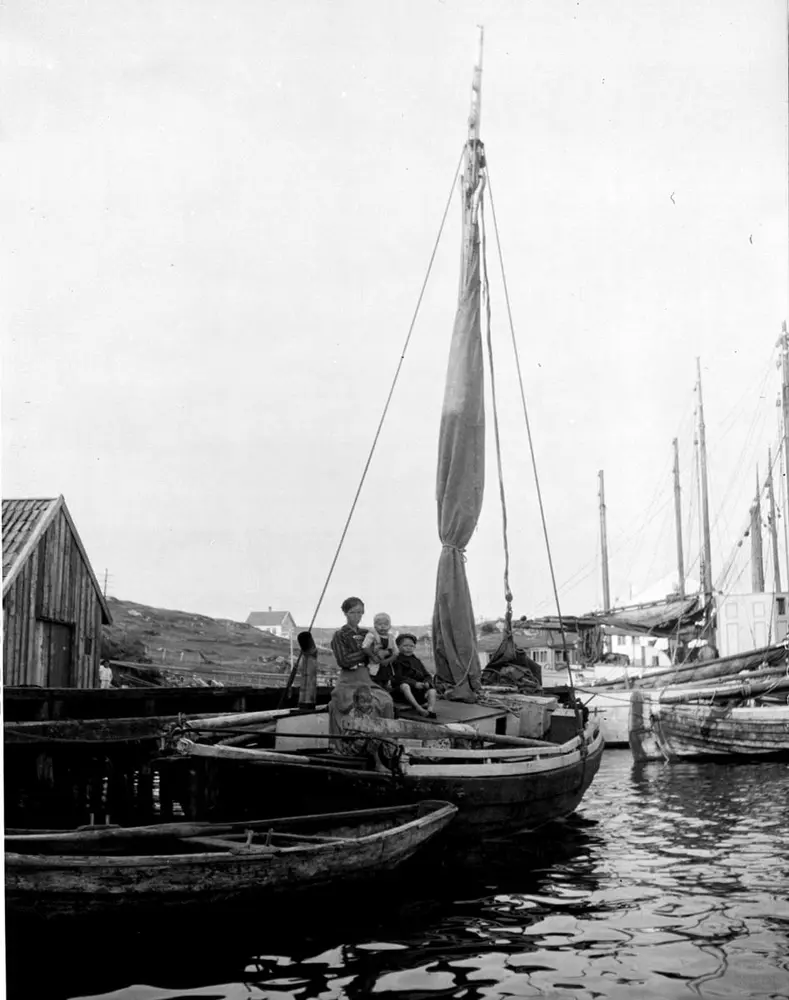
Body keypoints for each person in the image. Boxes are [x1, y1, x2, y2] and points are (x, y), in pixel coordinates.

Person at [328, 597, 394, 752]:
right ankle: (346, 746)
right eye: (353, 612)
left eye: (360, 612)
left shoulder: (367, 633)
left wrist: (380, 653)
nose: (357, 616)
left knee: (385, 701)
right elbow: (344, 660)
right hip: (348, 678)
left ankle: (385, 744)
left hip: (366, 677)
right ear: (345, 613)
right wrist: (366, 653)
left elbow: (382, 649)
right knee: (347, 703)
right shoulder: (340, 635)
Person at [389, 632, 438, 718]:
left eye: (411, 646)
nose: (409, 648)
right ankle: (419, 709)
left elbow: (427, 675)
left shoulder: (416, 660)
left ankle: (430, 710)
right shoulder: (396, 660)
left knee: (432, 690)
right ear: (398, 646)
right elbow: (398, 677)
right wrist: (414, 683)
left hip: (418, 692)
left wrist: (426, 682)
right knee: (405, 686)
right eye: (405, 646)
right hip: (402, 693)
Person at [362, 612, 398, 686]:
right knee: (374, 684)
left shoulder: (391, 637)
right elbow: (365, 647)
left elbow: (396, 652)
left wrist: (387, 661)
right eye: (380, 624)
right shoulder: (371, 635)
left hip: (386, 666)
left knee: (385, 684)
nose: (383, 626)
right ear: (375, 626)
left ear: (390, 626)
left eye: (385, 624)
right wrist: (373, 656)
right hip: (374, 665)